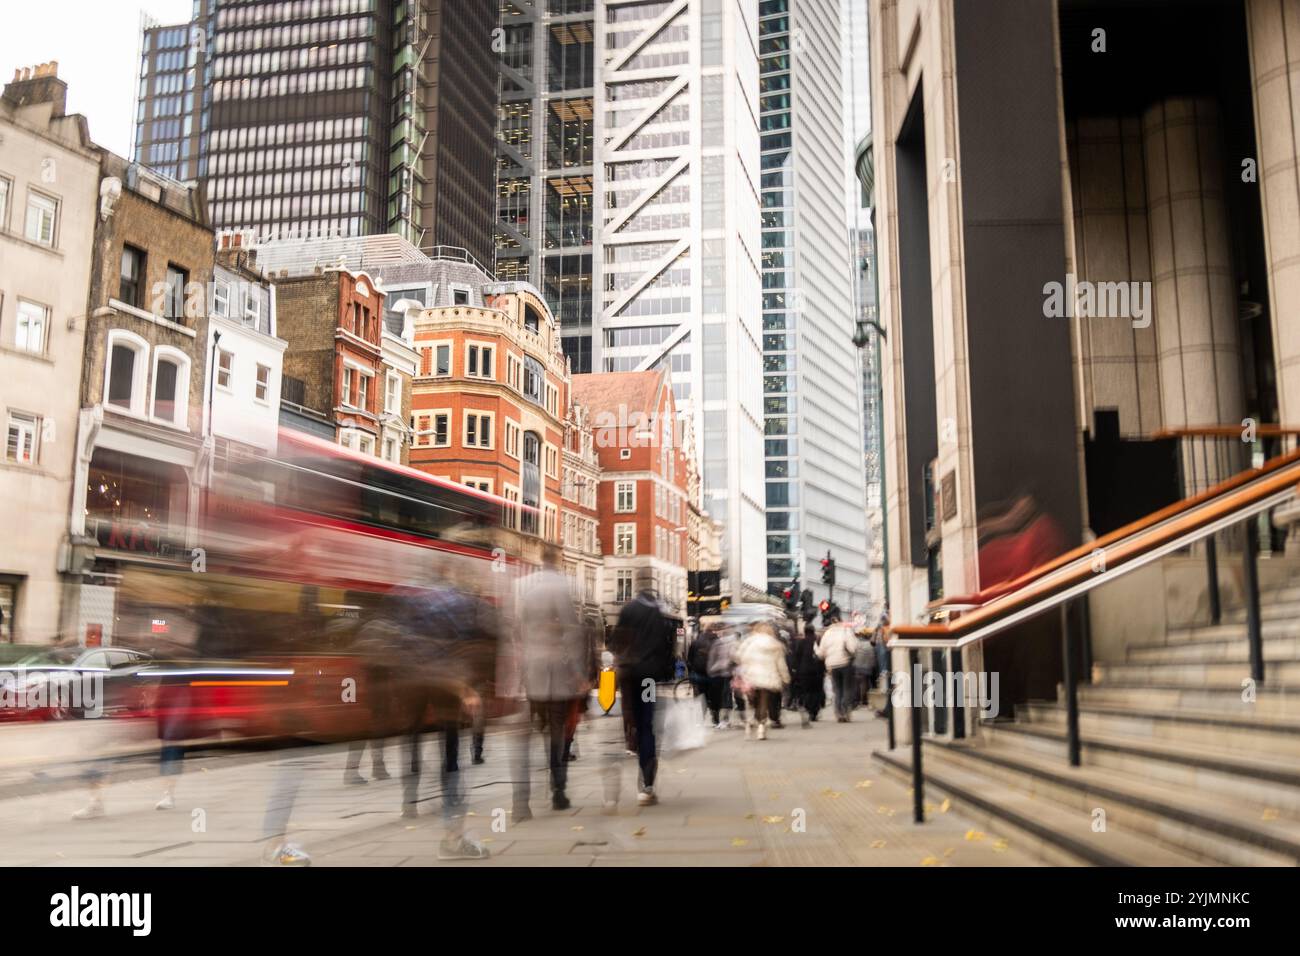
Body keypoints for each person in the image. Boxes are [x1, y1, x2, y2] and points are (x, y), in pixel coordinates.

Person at [516, 557, 590, 813]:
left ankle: (523, 797)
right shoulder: (561, 591)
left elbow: (521, 633)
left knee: (538, 729)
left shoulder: (529, 594)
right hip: (558, 673)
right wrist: (580, 675)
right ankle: (558, 790)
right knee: (558, 734)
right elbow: (572, 634)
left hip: (533, 674)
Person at [608, 589, 672, 806]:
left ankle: (631, 741)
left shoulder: (628, 609)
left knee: (631, 717)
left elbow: (615, 641)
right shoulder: (657, 614)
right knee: (647, 723)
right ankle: (647, 785)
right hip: (648, 678)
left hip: (629, 675)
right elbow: (666, 647)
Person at [734, 621, 790, 741]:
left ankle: (750, 723)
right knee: (763, 702)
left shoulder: (749, 642)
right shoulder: (775, 644)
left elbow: (738, 656)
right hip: (767, 677)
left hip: (751, 677)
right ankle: (761, 728)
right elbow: (781, 664)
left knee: (752, 702)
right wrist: (785, 678)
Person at [816, 611, 860, 722]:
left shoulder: (827, 633)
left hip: (832, 665)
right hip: (845, 663)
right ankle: (845, 711)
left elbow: (821, 653)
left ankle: (839, 713)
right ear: (841, 621)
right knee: (847, 688)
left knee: (837, 689)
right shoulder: (846, 631)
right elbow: (853, 647)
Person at [791, 622, 826, 725]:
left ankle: (808, 709)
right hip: (817, 671)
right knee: (817, 691)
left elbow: (796, 657)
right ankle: (814, 712)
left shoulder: (800, 643)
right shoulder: (818, 641)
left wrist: (795, 670)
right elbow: (822, 655)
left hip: (804, 671)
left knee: (807, 691)